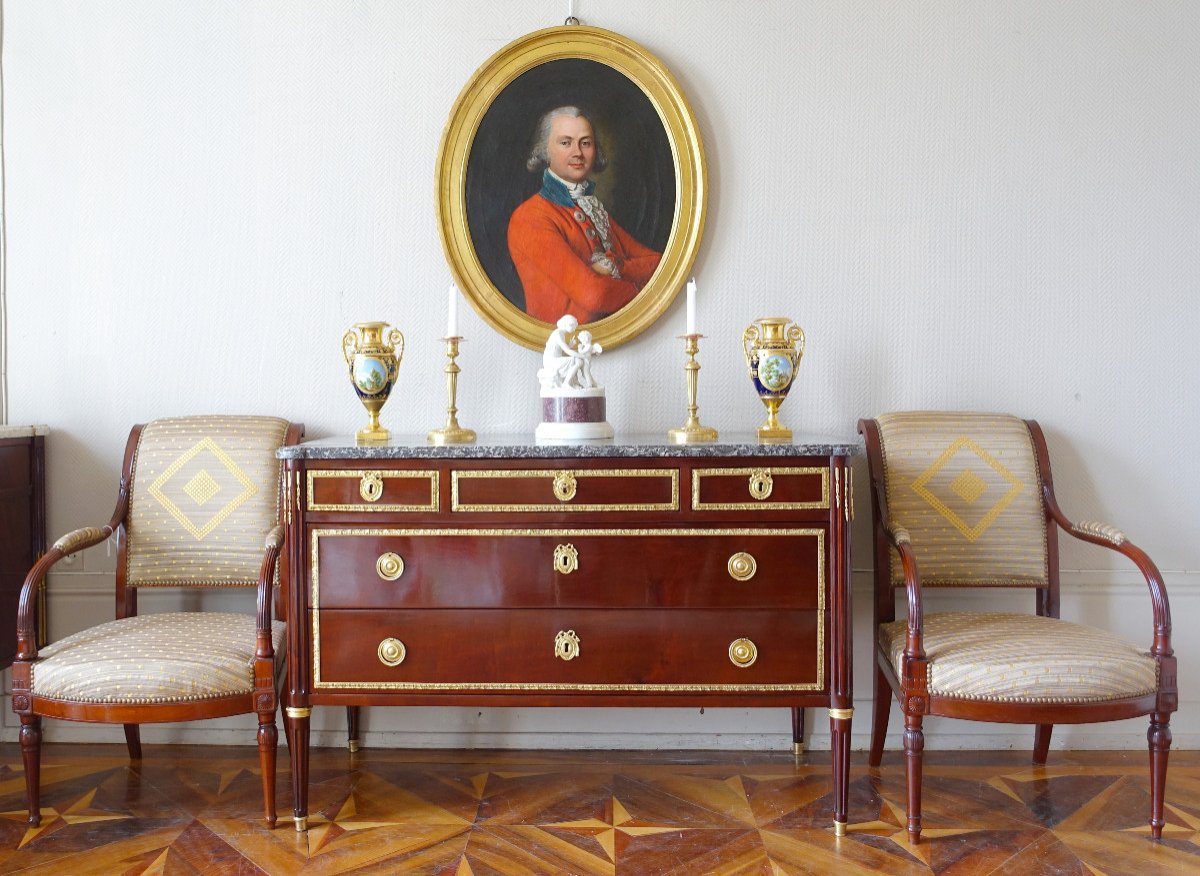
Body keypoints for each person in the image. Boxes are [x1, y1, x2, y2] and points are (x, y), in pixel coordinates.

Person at [508, 106, 661, 324]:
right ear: (544, 150)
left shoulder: (592, 209)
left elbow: (657, 263)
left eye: (585, 143)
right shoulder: (530, 217)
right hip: (562, 344)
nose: (577, 152)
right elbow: (594, 295)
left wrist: (618, 267)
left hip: (616, 338)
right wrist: (643, 290)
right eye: (565, 142)